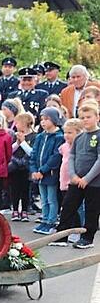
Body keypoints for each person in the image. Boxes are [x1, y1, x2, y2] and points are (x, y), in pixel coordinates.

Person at [56, 101, 100, 248]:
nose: (85, 120)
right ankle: (61, 236)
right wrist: (73, 175)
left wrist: (87, 179)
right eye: (82, 117)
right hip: (76, 180)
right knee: (68, 206)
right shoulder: (79, 137)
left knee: (91, 210)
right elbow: (72, 156)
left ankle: (87, 238)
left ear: (97, 117)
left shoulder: (98, 135)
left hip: (94, 182)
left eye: (88, 117)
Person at [29, 107, 65, 234]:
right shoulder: (40, 137)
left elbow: (55, 158)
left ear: (54, 120)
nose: (43, 122)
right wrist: (33, 170)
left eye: (46, 119)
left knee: (51, 198)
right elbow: (33, 154)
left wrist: (42, 170)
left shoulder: (59, 137)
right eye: (41, 119)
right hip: (39, 175)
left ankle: (51, 221)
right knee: (43, 199)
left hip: (50, 174)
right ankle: (44, 220)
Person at [55, 119, 85, 245]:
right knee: (66, 206)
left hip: (75, 181)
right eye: (65, 132)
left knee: (76, 209)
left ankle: (77, 230)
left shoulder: (80, 146)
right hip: (64, 180)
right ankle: (65, 231)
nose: (66, 135)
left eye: (70, 133)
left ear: (78, 133)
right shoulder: (64, 147)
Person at [8, 112, 35, 217]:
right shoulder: (15, 135)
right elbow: (10, 150)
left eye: (17, 122)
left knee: (25, 189)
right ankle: (15, 209)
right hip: (15, 167)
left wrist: (23, 142)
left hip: (27, 167)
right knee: (14, 189)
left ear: (25, 123)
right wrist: (17, 143)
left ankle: (24, 210)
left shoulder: (33, 136)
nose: (16, 125)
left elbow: (31, 152)